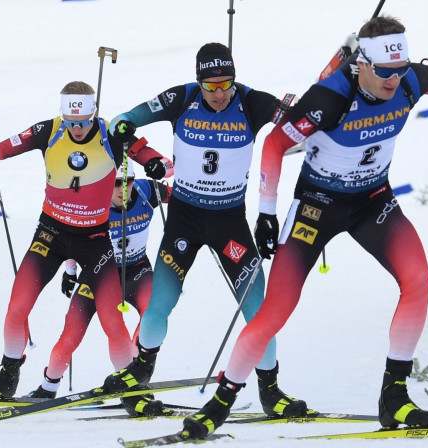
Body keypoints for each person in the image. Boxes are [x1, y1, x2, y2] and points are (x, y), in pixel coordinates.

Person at [180, 15, 428, 439]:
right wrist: (268, 213)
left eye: (399, 70)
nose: (393, 80)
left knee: (418, 278)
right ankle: (220, 403)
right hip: (317, 206)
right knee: (276, 310)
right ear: (362, 62)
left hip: (371, 200)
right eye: (383, 71)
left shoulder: (407, 81)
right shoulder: (328, 98)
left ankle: (394, 396)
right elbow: (275, 145)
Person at [99, 43, 307, 418]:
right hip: (185, 220)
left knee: (258, 309)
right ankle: (140, 370)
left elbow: (298, 122)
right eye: (210, 86)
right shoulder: (182, 97)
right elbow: (122, 120)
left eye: (225, 83)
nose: (219, 93)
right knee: (160, 305)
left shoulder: (251, 101)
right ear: (199, 82)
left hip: (230, 223)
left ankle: (271, 390)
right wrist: (135, 138)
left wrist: (301, 109)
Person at [0, 81, 171, 401]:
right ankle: (7, 377)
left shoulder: (109, 132)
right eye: (71, 122)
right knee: (17, 307)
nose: (76, 129)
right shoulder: (50, 129)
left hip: (95, 239)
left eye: (83, 122)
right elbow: (14, 142)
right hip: (52, 234)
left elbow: (141, 149)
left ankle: (133, 392)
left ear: (94, 114)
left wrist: (154, 162)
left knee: (112, 322)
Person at [24, 162, 170, 404]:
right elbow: (70, 237)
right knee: (71, 333)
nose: (123, 189)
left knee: (154, 315)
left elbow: (183, 196)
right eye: (114, 183)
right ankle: (47, 388)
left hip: (137, 270)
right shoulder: (90, 204)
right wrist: (70, 271)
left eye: (128, 181)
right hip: (98, 275)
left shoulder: (146, 191)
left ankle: (133, 377)